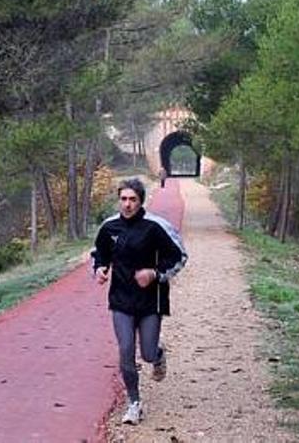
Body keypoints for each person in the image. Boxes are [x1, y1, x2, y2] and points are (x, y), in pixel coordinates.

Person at [91, 178, 187, 425]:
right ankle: (134, 403)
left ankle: (157, 354)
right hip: (121, 299)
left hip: (150, 300)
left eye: (133, 199)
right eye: (123, 199)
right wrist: (101, 269)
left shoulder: (156, 227)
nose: (127, 204)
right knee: (125, 351)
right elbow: (99, 253)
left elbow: (178, 257)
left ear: (141, 200)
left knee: (146, 353)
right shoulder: (109, 227)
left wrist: (154, 273)